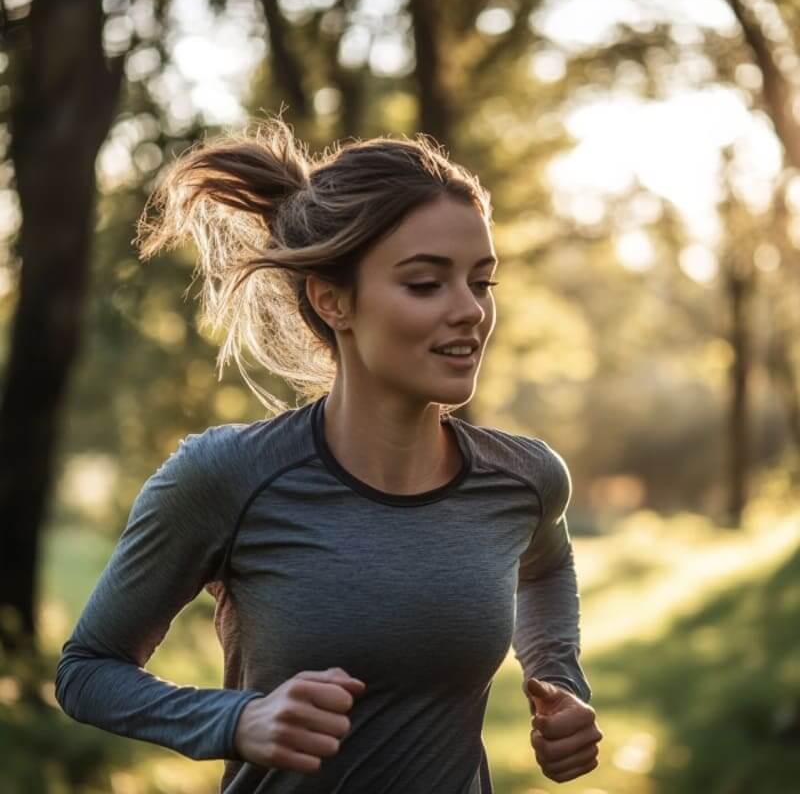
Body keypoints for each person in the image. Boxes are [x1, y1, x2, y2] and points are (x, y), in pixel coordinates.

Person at [55, 114, 602, 793]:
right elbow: (87, 671)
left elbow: (545, 567)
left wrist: (557, 679)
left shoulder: (523, 479)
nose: (470, 311)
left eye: (481, 282)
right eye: (427, 283)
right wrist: (237, 720)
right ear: (333, 301)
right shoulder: (228, 476)